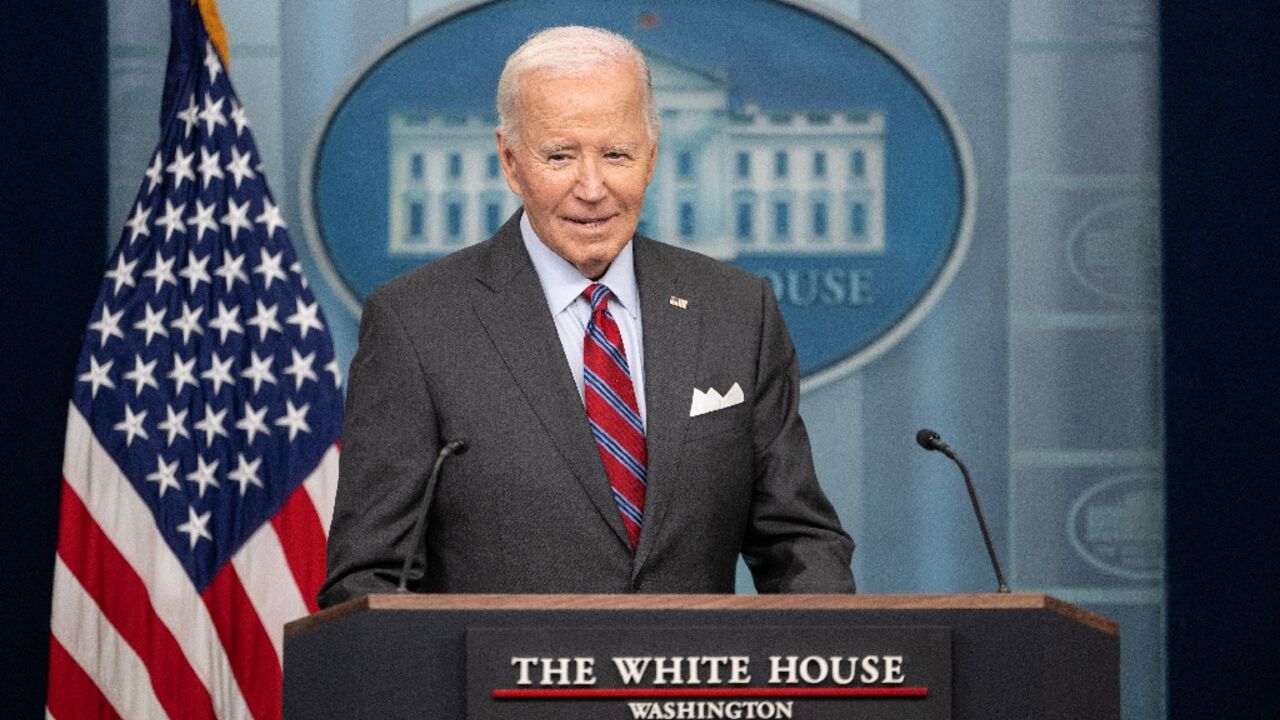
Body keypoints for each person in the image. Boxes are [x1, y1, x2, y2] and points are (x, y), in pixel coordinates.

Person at [318, 26, 853, 606]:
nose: (592, 188)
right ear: (510, 161)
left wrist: (821, 670)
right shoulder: (416, 324)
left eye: (616, 154)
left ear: (651, 159)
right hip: (499, 691)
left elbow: (799, 543)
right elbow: (370, 578)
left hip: (694, 693)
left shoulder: (736, 310)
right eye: (560, 156)